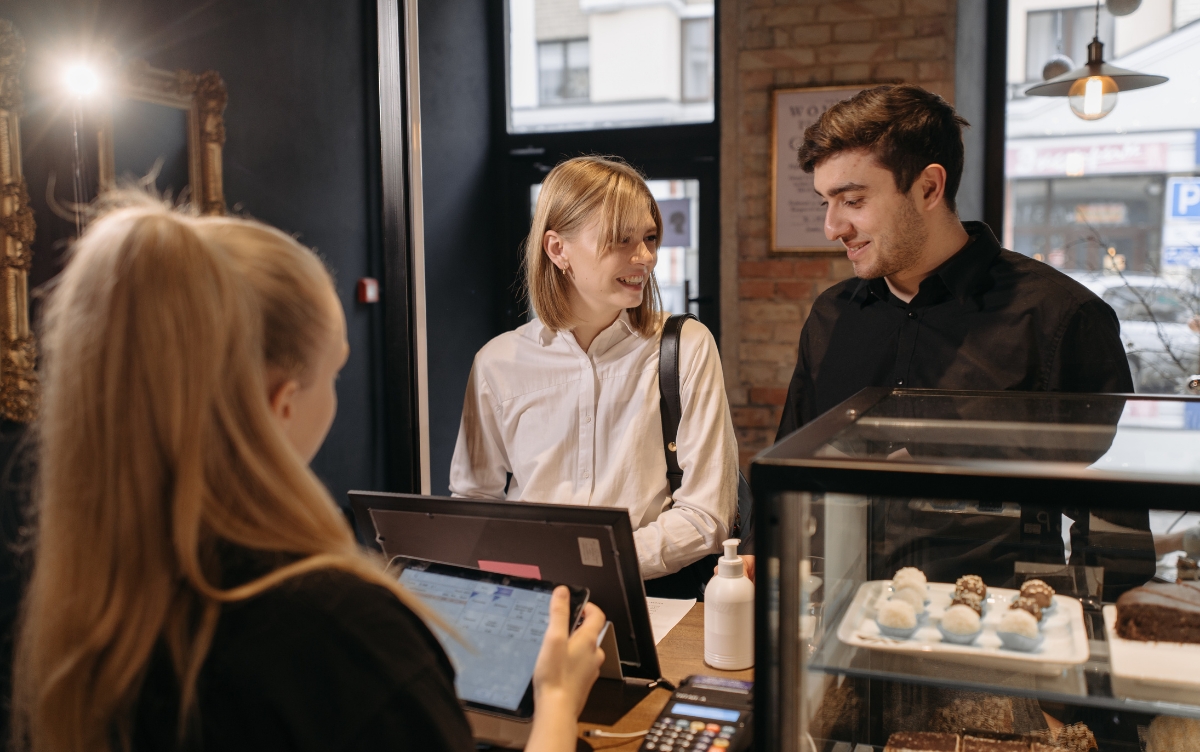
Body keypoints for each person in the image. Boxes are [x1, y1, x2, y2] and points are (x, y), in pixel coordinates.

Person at [12, 199, 605, 752]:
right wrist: (556, 699)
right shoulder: (339, 633)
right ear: (282, 402)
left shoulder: (89, 616)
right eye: (334, 372)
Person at [449, 156, 739, 598]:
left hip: (651, 597)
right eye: (621, 239)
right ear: (557, 249)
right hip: (531, 600)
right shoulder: (497, 362)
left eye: (650, 237)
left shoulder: (685, 346)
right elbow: (475, 502)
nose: (645, 257)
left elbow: (707, 513)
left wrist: (594, 563)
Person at [776, 83, 1133, 439]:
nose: (831, 229)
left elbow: (1098, 485)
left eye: (852, 200)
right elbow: (791, 469)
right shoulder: (831, 315)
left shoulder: (1064, 318)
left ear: (929, 188)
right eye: (826, 202)